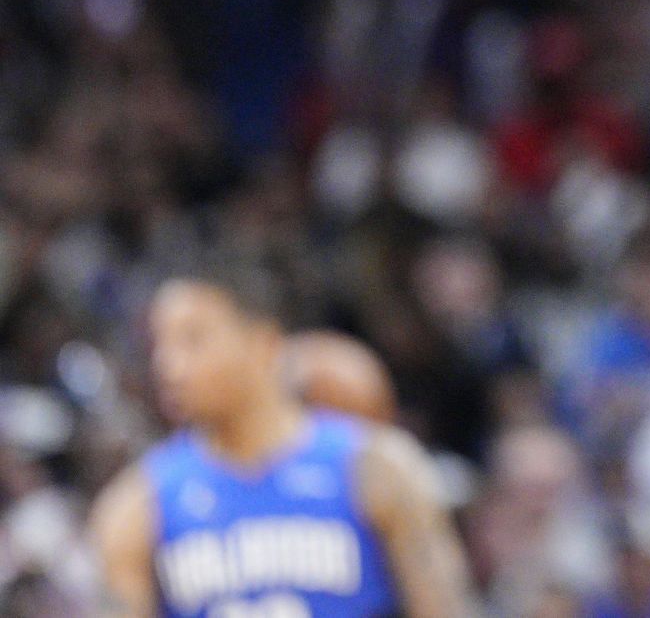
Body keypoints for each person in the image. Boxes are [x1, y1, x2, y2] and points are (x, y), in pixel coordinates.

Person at [89, 261, 477, 617]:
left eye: (194, 339)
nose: (169, 366)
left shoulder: (378, 467)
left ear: (265, 343)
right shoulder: (135, 505)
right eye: (161, 344)